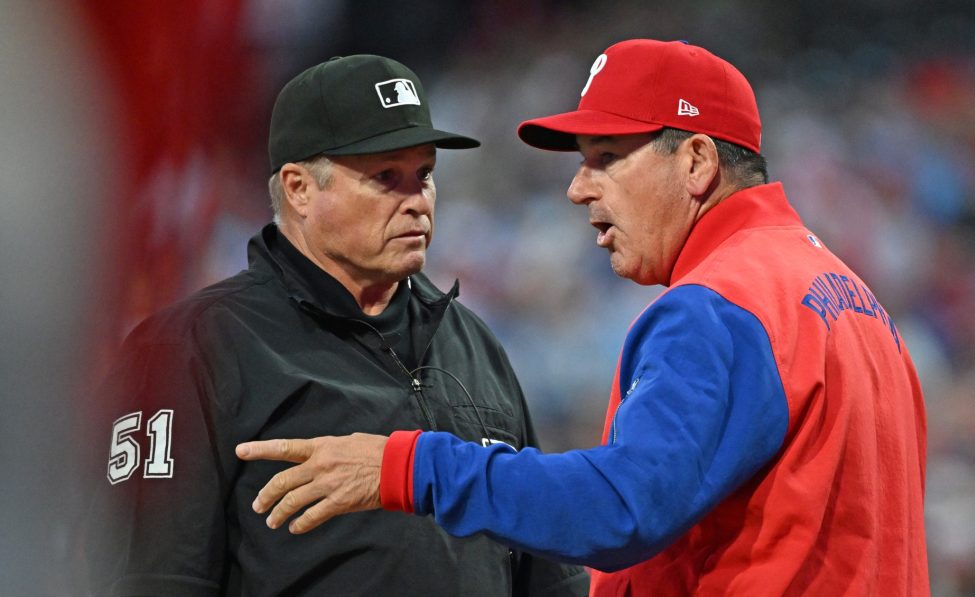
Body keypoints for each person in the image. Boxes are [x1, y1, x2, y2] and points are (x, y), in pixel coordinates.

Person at [236, 40, 930, 595]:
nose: (577, 188)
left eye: (606, 159)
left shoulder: (719, 306)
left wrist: (410, 464)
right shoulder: (852, 298)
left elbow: (620, 507)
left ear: (696, 162)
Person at [85, 54, 589, 596]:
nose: (417, 202)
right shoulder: (189, 349)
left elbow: (548, 576)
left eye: (424, 174)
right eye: (385, 177)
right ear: (299, 188)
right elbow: (152, 580)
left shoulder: (474, 345)